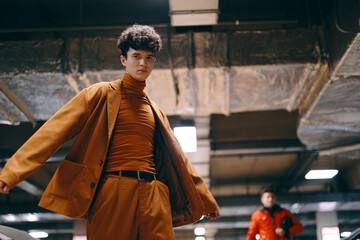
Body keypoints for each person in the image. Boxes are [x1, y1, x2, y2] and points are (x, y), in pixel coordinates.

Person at [0, 24, 220, 240]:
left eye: (149, 57)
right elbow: (53, 131)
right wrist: (12, 172)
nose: (142, 63)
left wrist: (205, 200)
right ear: (124, 59)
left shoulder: (156, 111)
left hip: (154, 193)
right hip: (113, 191)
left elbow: (180, 159)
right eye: (136, 56)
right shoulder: (100, 94)